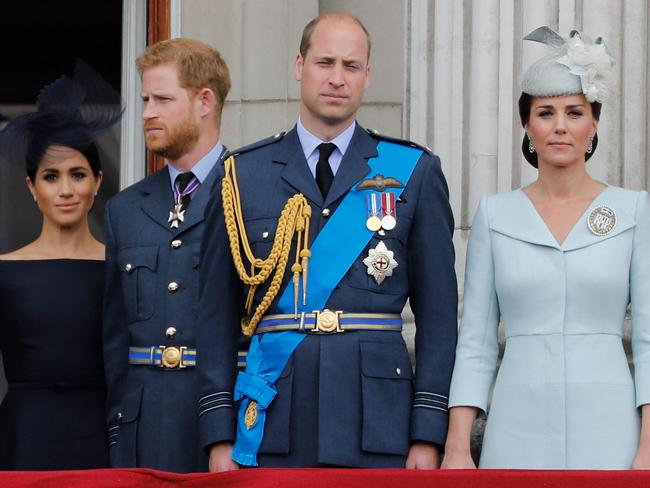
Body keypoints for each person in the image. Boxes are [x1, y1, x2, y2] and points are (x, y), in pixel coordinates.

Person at [197, 12, 457, 470]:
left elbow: (438, 319)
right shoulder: (242, 175)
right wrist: (219, 436)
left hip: (379, 425)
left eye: (351, 66)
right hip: (272, 424)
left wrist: (427, 434)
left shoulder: (412, 171)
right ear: (299, 65)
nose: (337, 78)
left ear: (367, 76)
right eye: (325, 62)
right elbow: (215, 318)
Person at [442, 26, 650, 469]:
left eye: (574, 112)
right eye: (545, 112)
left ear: (593, 123)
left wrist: (648, 444)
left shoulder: (634, 210)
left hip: (611, 425)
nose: (560, 127)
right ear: (526, 124)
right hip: (516, 423)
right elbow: (477, 342)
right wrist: (457, 446)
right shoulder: (495, 215)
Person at [103, 38, 232, 472]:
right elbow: (115, 338)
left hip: (225, 424)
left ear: (205, 102)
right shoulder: (125, 209)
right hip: (143, 428)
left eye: (162, 99)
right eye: (144, 100)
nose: (146, 113)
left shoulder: (251, 193)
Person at [0, 62, 122, 470]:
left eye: (78, 174)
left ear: (97, 181)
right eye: (51, 177)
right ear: (32, 187)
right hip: (23, 437)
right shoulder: (4, 271)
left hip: (104, 435)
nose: (66, 189)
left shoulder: (121, 269)